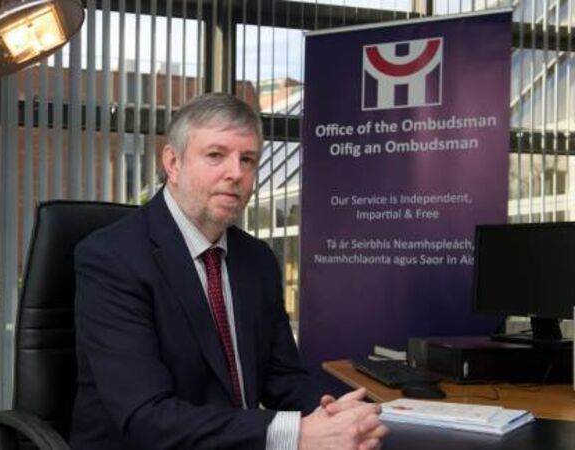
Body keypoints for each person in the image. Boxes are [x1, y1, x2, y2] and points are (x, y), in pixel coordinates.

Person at [70, 93, 388, 450]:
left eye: (247, 159)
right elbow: (147, 418)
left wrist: (338, 417)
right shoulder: (112, 258)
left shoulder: (257, 259)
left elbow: (282, 377)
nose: (236, 173)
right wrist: (297, 434)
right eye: (215, 155)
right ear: (172, 163)